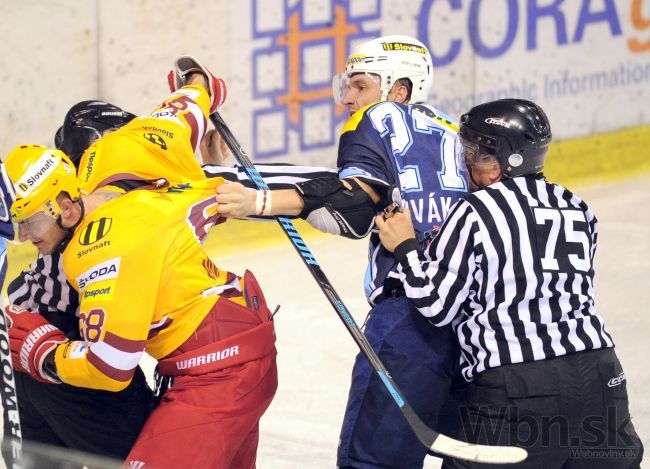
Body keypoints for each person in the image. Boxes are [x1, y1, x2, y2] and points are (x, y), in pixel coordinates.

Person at [3, 58, 278, 469]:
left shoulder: (97, 237)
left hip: (207, 365)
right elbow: (183, 110)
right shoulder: (132, 157)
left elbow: (109, 364)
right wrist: (200, 86)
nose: (26, 236)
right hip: (222, 345)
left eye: (31, 223)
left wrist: (40, 350)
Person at [215, 35, 470, 468]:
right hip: (474, 321)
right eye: (347, 87)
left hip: (409, 319)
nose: (348, 100)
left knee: (372, 461)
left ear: (398, 90)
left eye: (360, 86)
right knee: (467, 457)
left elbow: (352, 205)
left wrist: (256, 200)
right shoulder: (458, 132)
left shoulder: (376, 120)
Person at [375, 98, 644, 468]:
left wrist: (404, 246)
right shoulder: (579, 207)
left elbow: (436, 305)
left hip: (520, 390)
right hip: (602, 377)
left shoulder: (475, 210)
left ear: (508, 159)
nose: (468, 163)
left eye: (478, 154)